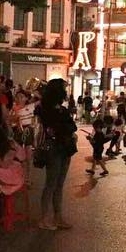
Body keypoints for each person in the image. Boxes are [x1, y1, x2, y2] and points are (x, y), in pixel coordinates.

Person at [34, 79, 77, 230]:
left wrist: (65, 128)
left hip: (64, 147)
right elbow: (59, 127)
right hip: (53, 147)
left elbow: (72, 126)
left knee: (59, 184)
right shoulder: (45, 109)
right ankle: (44, 218)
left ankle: (58, 217)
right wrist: (65, 128)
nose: (65, 91)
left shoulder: (60, 109)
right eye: (63, 88)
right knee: (51, 183)